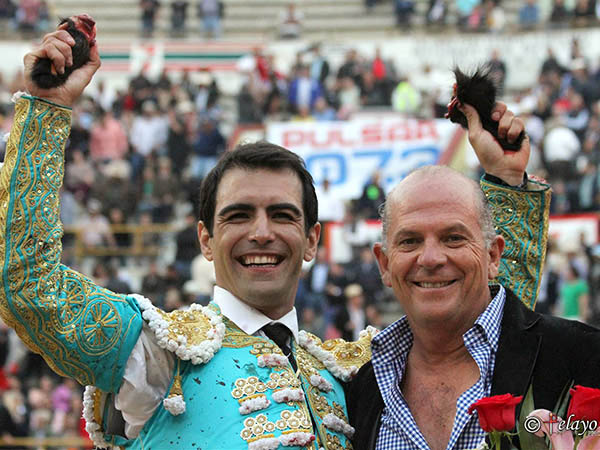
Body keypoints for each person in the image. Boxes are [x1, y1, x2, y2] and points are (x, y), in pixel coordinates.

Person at [0, 28, 548, 450]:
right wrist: (46, 110)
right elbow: (26, 283)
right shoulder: (158, 353)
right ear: (206, 239)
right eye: (238, 216)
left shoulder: (355, 373)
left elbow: (486, 324)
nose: (261, 232)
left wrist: (506, 184)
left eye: (282, 216)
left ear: (311, 240)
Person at [346, 103, 600, 449]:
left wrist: (506, 178)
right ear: (385, 265)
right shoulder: (359, 390)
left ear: (493, 255)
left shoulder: (585, 359)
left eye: (453, 238)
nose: (431, 258)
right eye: (410, 241)